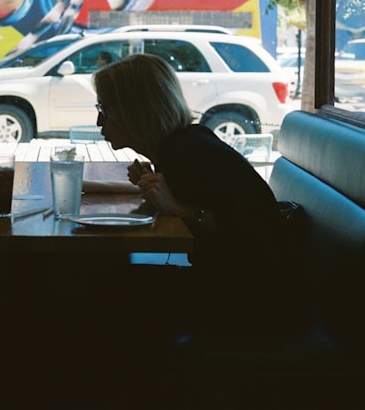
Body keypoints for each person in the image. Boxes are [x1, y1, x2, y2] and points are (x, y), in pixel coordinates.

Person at [92, 54, 307, 339]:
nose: (98, 121)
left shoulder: (190, 153)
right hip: (236, 289)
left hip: (255, 304)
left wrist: (180, 209)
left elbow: (253, 232)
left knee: (100, 287)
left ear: (135, 110)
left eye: (104, 109)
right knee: (107, 280)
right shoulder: (181, 146)